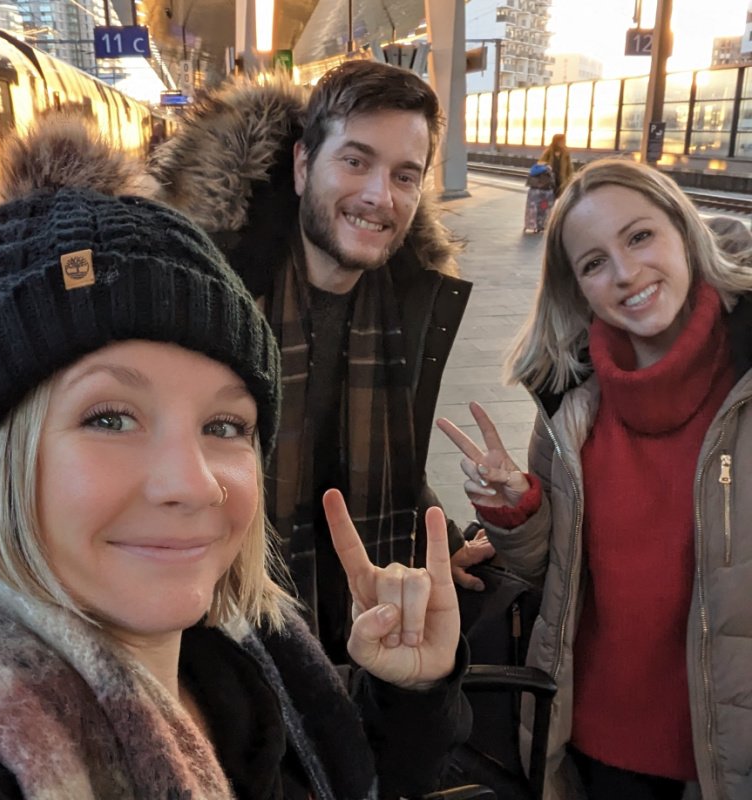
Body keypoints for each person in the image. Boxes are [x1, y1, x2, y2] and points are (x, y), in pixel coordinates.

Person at [0, 117, 472, 800]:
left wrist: (410, 695)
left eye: (226, 425)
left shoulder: (243, 647)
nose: (193, 485)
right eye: (110, 417)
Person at [150, 60, 493, 662]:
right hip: (219, 632)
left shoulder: (412, 299)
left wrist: (436, 532)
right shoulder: (212, 291)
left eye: (405, 175)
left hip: (367, 628)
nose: (378, 197)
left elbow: (374, 452)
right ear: (304, 165)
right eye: (355, 161)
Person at [437, 158, 752, 800]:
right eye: (593, 263)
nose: (627, 274)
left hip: (729, 747)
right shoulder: (569, 401)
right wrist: (518, 513)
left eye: (640, 237)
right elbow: (554, 572)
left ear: (684, 231)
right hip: (599, 745)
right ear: (577, 288)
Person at [539, 133, 573, 199]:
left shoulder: (565, 153)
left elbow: (569, 167)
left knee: (559, 199)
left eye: (564, 141)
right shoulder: (548, 152)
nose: (563, 143)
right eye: (561, 141)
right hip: (549, 180)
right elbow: (540, 164)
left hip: (561, 181)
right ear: (556, 141)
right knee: (549, 199)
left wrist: (569, 179)